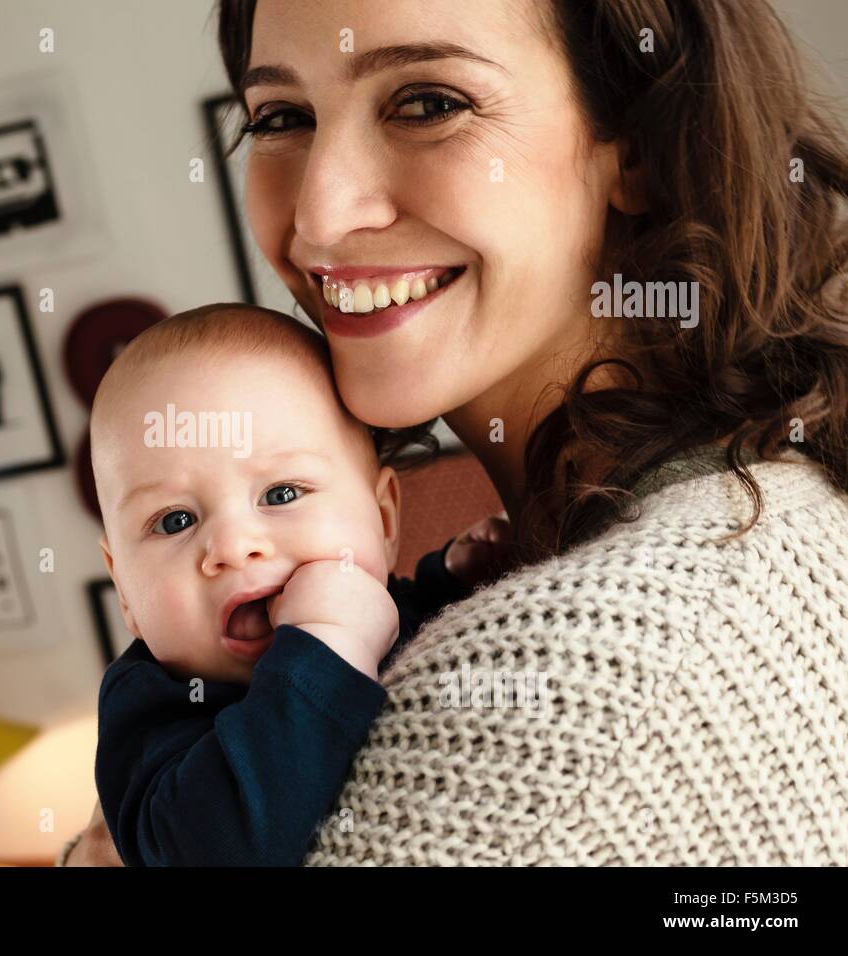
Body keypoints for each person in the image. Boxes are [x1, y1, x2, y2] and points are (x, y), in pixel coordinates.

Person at [64, 0, 848, 865]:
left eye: (429, 102)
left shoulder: (590, 668)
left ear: (642, 146)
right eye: (281, 118)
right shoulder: (768, 496)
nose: (322, 215)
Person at [88, 303, 505, 866]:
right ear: (126, 594)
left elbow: (399, 617)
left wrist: (450, 579)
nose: (233, 547)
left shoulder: (381, 607)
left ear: (382, 521)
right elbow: (222, 847)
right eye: (174, 521)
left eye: (281, 493)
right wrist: (324, 648)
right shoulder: (151, 711)